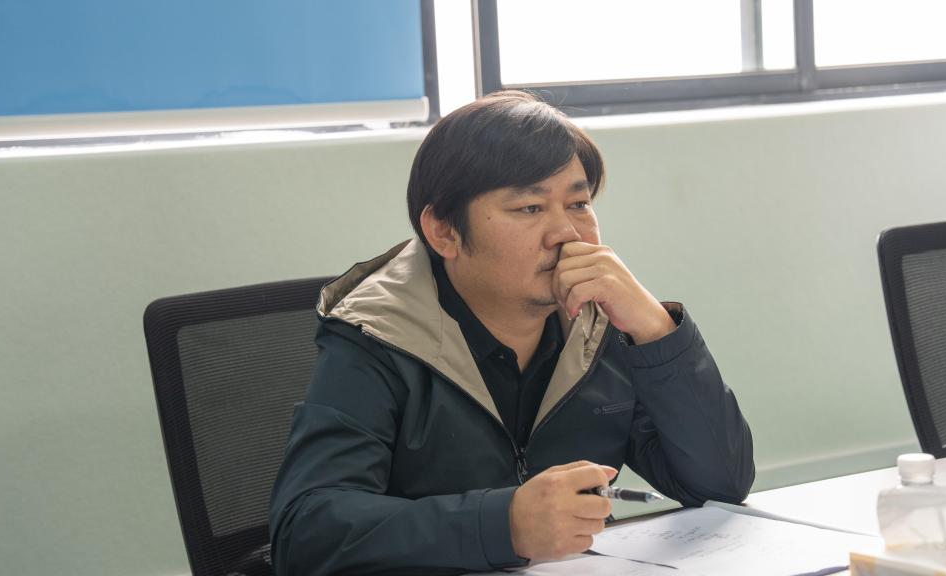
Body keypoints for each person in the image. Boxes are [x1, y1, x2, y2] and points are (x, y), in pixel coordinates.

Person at [269, 90, 754, 576]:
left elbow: (719, 485)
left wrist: (655, 330)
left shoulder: (601, 324)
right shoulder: (377, 334)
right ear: (444, 232)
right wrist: (505, 525)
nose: (567, 233)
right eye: (529, 208)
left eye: (579, 203)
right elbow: (306, 533)